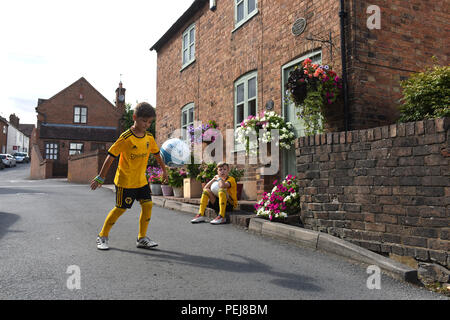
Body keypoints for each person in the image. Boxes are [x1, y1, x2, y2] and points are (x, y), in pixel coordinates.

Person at [90, 102, 168, 250]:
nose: (147, 124)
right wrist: (100, 177)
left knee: (148, 205)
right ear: (134, 117)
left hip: (141, 181)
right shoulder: (126, 137)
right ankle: (102, 236)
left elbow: (157, 154)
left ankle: (142, 238)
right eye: (144, 121)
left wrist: (164, 171)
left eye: (150, 122)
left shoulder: (149, 137)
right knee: (120, 208)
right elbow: (110, 156)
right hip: (125, 181)